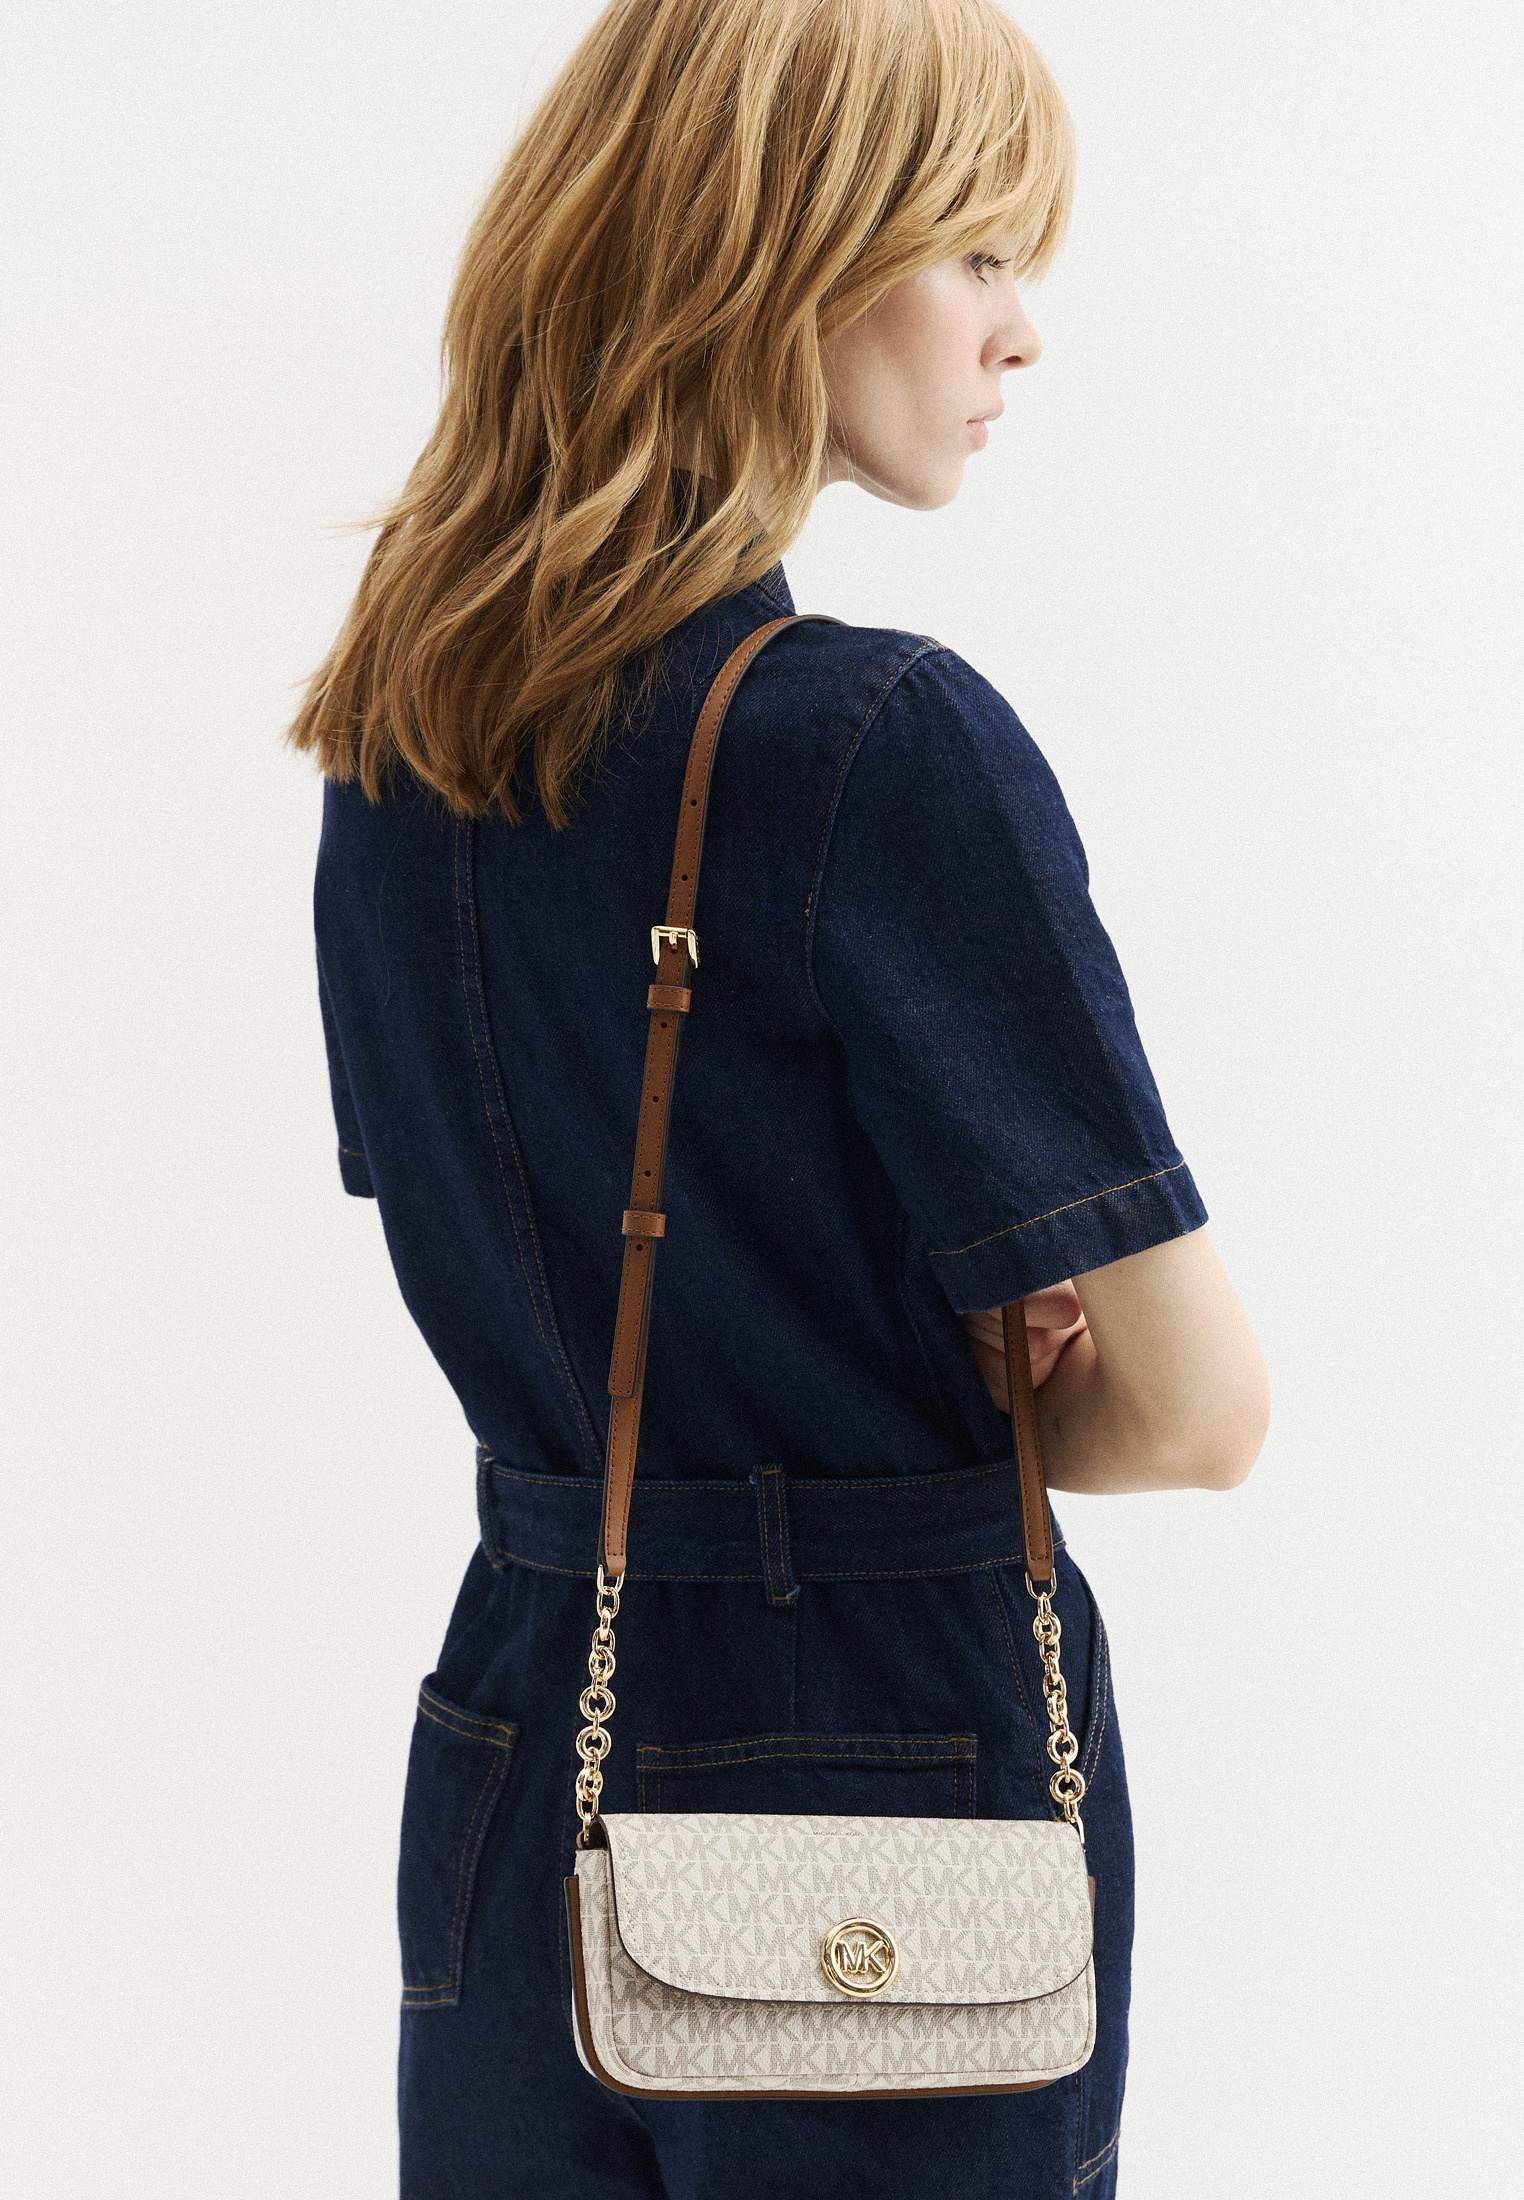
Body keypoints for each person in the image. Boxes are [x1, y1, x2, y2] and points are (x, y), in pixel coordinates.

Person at [285, 2, 1270, 2193]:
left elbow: (537, 1264)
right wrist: (969, 1384)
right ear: (789, 250)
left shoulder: (399, 745)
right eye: (979, 251)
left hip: (525, 1717)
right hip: (886, 1750)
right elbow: (1199, 1414)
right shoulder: (875, 745)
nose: (1020, 332)